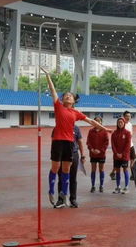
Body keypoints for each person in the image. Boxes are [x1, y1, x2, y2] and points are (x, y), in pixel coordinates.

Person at [41, 67, 110, 207]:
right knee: (55, 167)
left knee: (66, 170)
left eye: (70, 96)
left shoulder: (76, 112)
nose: (67, 96)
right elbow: (53, 91)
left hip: (69, 143)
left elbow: (91, 121)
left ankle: (64, 194)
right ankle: (51, 190)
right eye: (65, 95)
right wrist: (48, 76)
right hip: (58, 142)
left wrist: (104, 128)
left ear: (73, 101)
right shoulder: (58, 107)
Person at [55, 125, 84, 208]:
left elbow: (80, 141)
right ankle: (61, 200)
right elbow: (54, 142)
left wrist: (82, 155)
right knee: (61, 177)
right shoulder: (58, 127)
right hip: (61, 155)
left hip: (74, 154)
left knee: (73, 178)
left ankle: (73, 199)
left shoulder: (76, 128)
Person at [87, 116, 109, 193]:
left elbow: (106, 143)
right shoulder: (90, 131)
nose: (97, 122)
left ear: (101, 122)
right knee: (93, 170)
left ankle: (101, 186)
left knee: (101, 170)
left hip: (101, 154)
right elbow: (88, 142)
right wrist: (92, 149)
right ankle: (93, 186)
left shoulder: (104, 131)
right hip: (93, 154)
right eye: (95, 121)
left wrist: (100, 150)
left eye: (99, 121)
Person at [111, 117, 132, 194]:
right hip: (116, 156)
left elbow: (128, 145)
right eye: (119, 122)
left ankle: (126, 187)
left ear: (124, 123)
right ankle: (118, 187)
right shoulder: (114, 133)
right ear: (117, 123)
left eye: (121, 122)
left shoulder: (127, 133)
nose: (120, 124)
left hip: (125, 156)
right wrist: (116, 153)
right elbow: (113, 145)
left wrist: (122, 154)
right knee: (117, 171)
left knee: (125, 170)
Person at [123, 110, 136, 181]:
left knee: (133, 159)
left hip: (131, 145)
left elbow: (131, 134)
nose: (128, 117)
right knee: (123, 161)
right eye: (127, 116)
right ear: (124, 117)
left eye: (129, 116)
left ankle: (133, 175)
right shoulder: (122, 124)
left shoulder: (130, 124)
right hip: (124, 146)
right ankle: (113, 172)